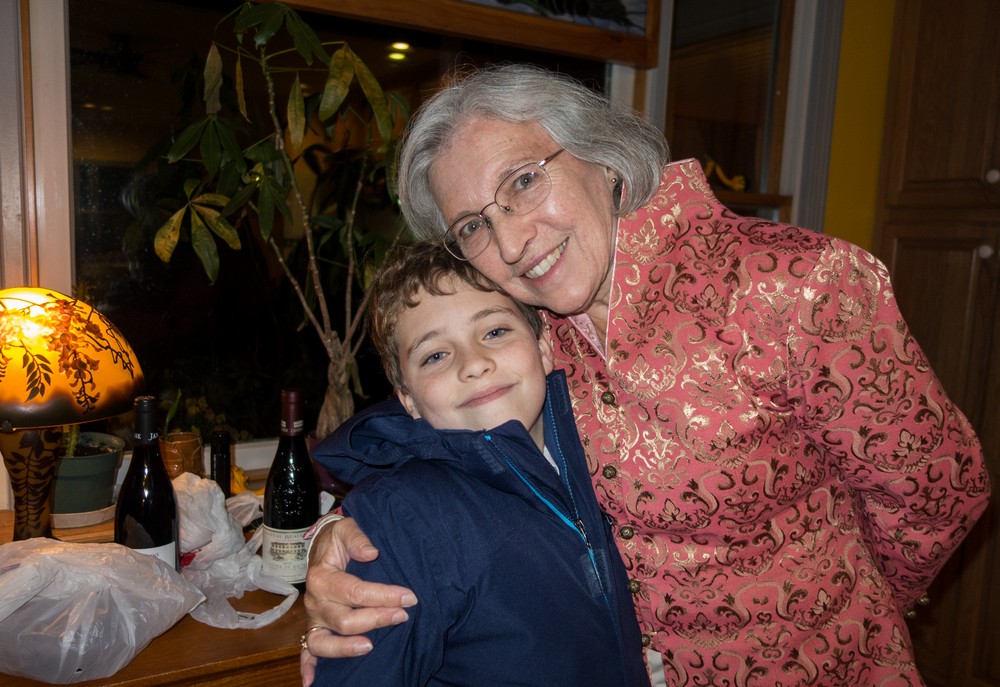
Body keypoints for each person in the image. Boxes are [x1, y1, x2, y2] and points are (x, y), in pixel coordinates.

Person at [301, 64, 991, 687]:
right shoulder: (530, 332)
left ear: (601, 155)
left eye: (523, 180)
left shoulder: (793, 287)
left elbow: (940, 492)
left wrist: (835, 611)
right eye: (474, 226)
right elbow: (429, 431)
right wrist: (344, 536)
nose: (510, 242)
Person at [306, 242, 651, 686]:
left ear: (544, 347)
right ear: (407, 397)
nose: (473, 365)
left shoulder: (589, 445)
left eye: (494, 332)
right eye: (435, 356)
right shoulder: (399, 524)